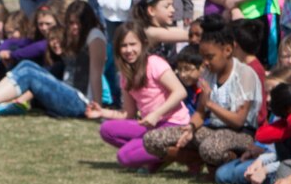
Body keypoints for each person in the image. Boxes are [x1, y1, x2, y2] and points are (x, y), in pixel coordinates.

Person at [137, 18, 260, 170]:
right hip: (212, 131)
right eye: (203, 57)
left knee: (210, 148)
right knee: (152, 139)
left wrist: (210, 104)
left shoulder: (245, 74)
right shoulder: (209, 74)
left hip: (241, 135)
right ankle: (198, 160)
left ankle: (230, 160)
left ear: (227, 50)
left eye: (210, 57)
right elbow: (200, 113)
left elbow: (239, 121)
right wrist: (191, 127)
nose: (206, 62)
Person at [99, 23, 190, 169]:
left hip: (174, 123)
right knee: (106, 129)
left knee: (124, 157)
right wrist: (101, 112)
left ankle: (177, 154)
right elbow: (129, 114)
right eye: (123, 46)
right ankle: (155, 154)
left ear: (144, 44)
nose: (128, 50)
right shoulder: (125, 75)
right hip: (149, 126)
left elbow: (180, 92)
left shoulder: (155, 63)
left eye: (133, 44)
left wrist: (156, 114)